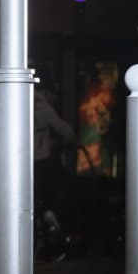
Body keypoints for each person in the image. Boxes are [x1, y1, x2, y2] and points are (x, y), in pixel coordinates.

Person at [34, 82, 76, 259]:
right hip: (40, 158)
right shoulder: (43, 107)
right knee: (57, 185)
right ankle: (49, 213)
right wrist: (72, 137)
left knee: (36, 194)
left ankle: (43, 215)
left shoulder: (22, 101)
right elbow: (63, 129)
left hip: (23, 160)